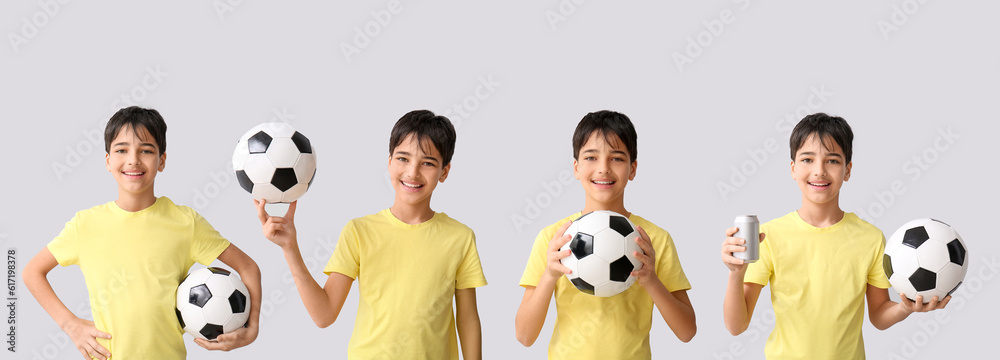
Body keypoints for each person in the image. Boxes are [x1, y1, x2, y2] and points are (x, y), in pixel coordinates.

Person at [23, 106, 261, 359]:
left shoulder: (185, 222)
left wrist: (252, 328)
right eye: (122, 150)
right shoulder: (85, 225)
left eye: (146, 150)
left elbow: (248, 268)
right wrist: (70, 325)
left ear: (162, 161)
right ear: (108, 161)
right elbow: (31, 272)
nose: (133, 159)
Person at [256, 110, 486, 359]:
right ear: (389, 162)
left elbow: (468, 319)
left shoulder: (460, 237)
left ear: (444, 171)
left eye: (428, 163)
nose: (412, 172)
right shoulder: (359, 232)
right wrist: (290, 247)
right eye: (403, 158)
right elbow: (324, 315)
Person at [720, 113, 949, 359]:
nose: (819, 171)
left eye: (832, 161)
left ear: (847, 170)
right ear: (793, 169)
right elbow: (737, 326)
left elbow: (879, 316)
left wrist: (905, 308)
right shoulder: (769, 236)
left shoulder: (870, 238)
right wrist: (736, 274)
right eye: (807, 159)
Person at [515, 110, 697, 359]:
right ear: (576, 168)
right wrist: (549, 275)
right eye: (591, 157)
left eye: (617, 159)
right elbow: (525, 336)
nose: (603, 169)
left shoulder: (654, 239)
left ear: (632, 169)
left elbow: (687, 332)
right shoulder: (554, 238)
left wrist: (651, 280)